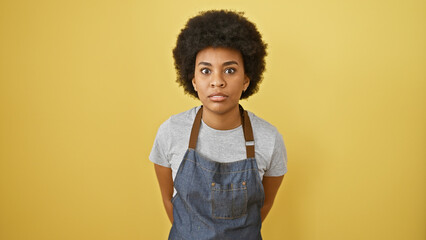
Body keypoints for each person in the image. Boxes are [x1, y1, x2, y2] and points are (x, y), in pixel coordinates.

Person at [149, 9, 288, 240]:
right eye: (205, 71)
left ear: (246, 80)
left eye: (230, 70)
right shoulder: (170, 132)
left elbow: (264, 206)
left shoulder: (269, 139)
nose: (217, 81)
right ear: (193, 80)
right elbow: (168, 199)